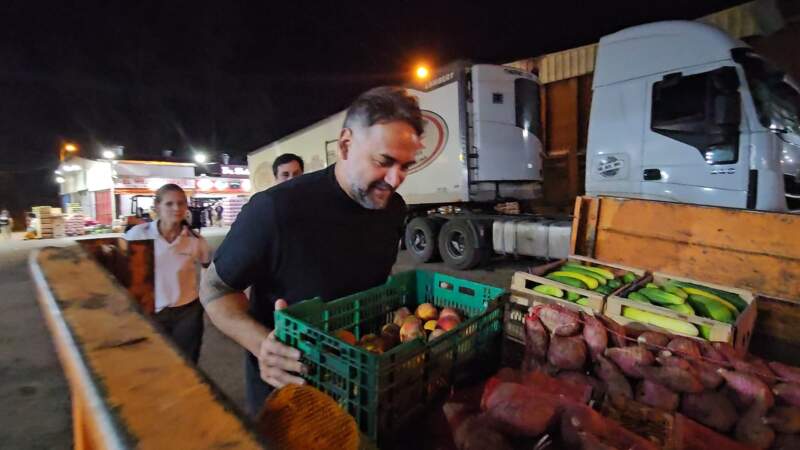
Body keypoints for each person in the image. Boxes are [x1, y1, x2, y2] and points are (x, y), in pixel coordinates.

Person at [200, 86, 423, 416]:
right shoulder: (275, 209)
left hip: (361, 388)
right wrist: (261, 345)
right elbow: (214, 289)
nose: (395, 179)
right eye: (384, 161)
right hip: (289, 398)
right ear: (345, 145)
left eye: (405, 166)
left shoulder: (393, 209)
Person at [125, 184, 211, 363]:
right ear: (157, 207)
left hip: (187, 313)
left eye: (181, 203)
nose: (176, 208)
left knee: (188, 361)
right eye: (169, 204)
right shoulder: (138, 235)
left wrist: (205, 300)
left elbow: (207, 270)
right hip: (150, 311)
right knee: (155, 362)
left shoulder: (195, 240)